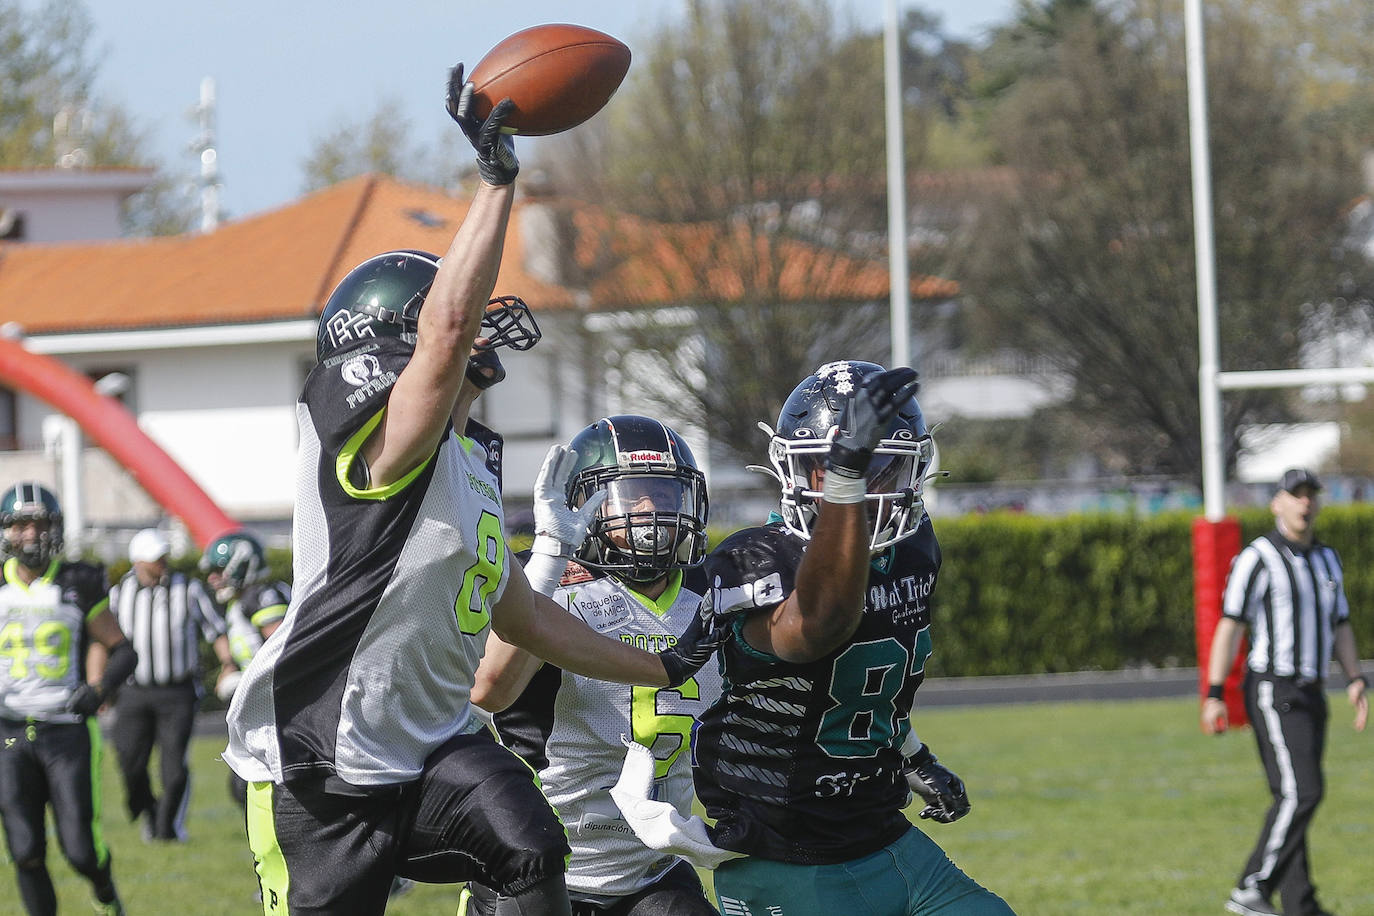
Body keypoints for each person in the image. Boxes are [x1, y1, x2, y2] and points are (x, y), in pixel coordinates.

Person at [222, 65, 720, 916]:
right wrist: (495, 183)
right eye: (463, 317)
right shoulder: (378, 451)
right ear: (402, 343)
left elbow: (519, 617)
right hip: (320, 761)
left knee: (528, 847)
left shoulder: (466, 465)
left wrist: (657, 663)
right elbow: (446, 332)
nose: (484, 326)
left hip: (430, 747)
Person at [612, 360, 1015, 915]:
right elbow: (816, 631)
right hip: (785, 858)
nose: (860, 487)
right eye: (834, 468)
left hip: (883, 836)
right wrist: (848, 477)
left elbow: (860, 686)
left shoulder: (915, 548)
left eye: (880, 469)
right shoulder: (755, 559)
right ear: (797, 473)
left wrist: (915, 756)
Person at [465, 416, 721, 916]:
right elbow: (487, 687)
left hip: (654, 871)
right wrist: (549, 555)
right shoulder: (546, 579)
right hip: (537, 867)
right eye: (634, 495)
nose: (651, 510)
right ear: (588, 504)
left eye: (665, 495)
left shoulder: (709, 592)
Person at [1202, 467, 1368, 916]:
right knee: (1303, 792)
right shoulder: (1258, 556)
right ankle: (1250, 887)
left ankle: (1301, 904)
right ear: (1276, 502)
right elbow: (1231, 624)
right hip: (1276, 688)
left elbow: (1341, 625)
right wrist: (1215, 691)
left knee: (1292, 798)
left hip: (1314, 690)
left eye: (1311, 494)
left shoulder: (1327, 559)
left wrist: (1355, 678)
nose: (1304, 502)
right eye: (1295, 494)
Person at [0, 481, 137, 916]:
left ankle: (103, 889)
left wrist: (98, 689)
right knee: (24, 849)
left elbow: (123, 650)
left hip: (66, 731)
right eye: (21, 524)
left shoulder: (79, 581)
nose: (30, 534)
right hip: (8, 734)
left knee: (79, 849)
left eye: (38, 523)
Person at [97, 527, 235, 843]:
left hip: (177, 692)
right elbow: (106, 642)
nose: (162, 564)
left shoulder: (187, 589)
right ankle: (147, 810)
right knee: (129, 761)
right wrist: (103, 686)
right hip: (134, 691)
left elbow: (215, 630)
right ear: (138, 562)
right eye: (155, 560)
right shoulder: (120, 593)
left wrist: (228, 664)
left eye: (163, 558)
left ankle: (164, 830)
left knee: (172, 769)